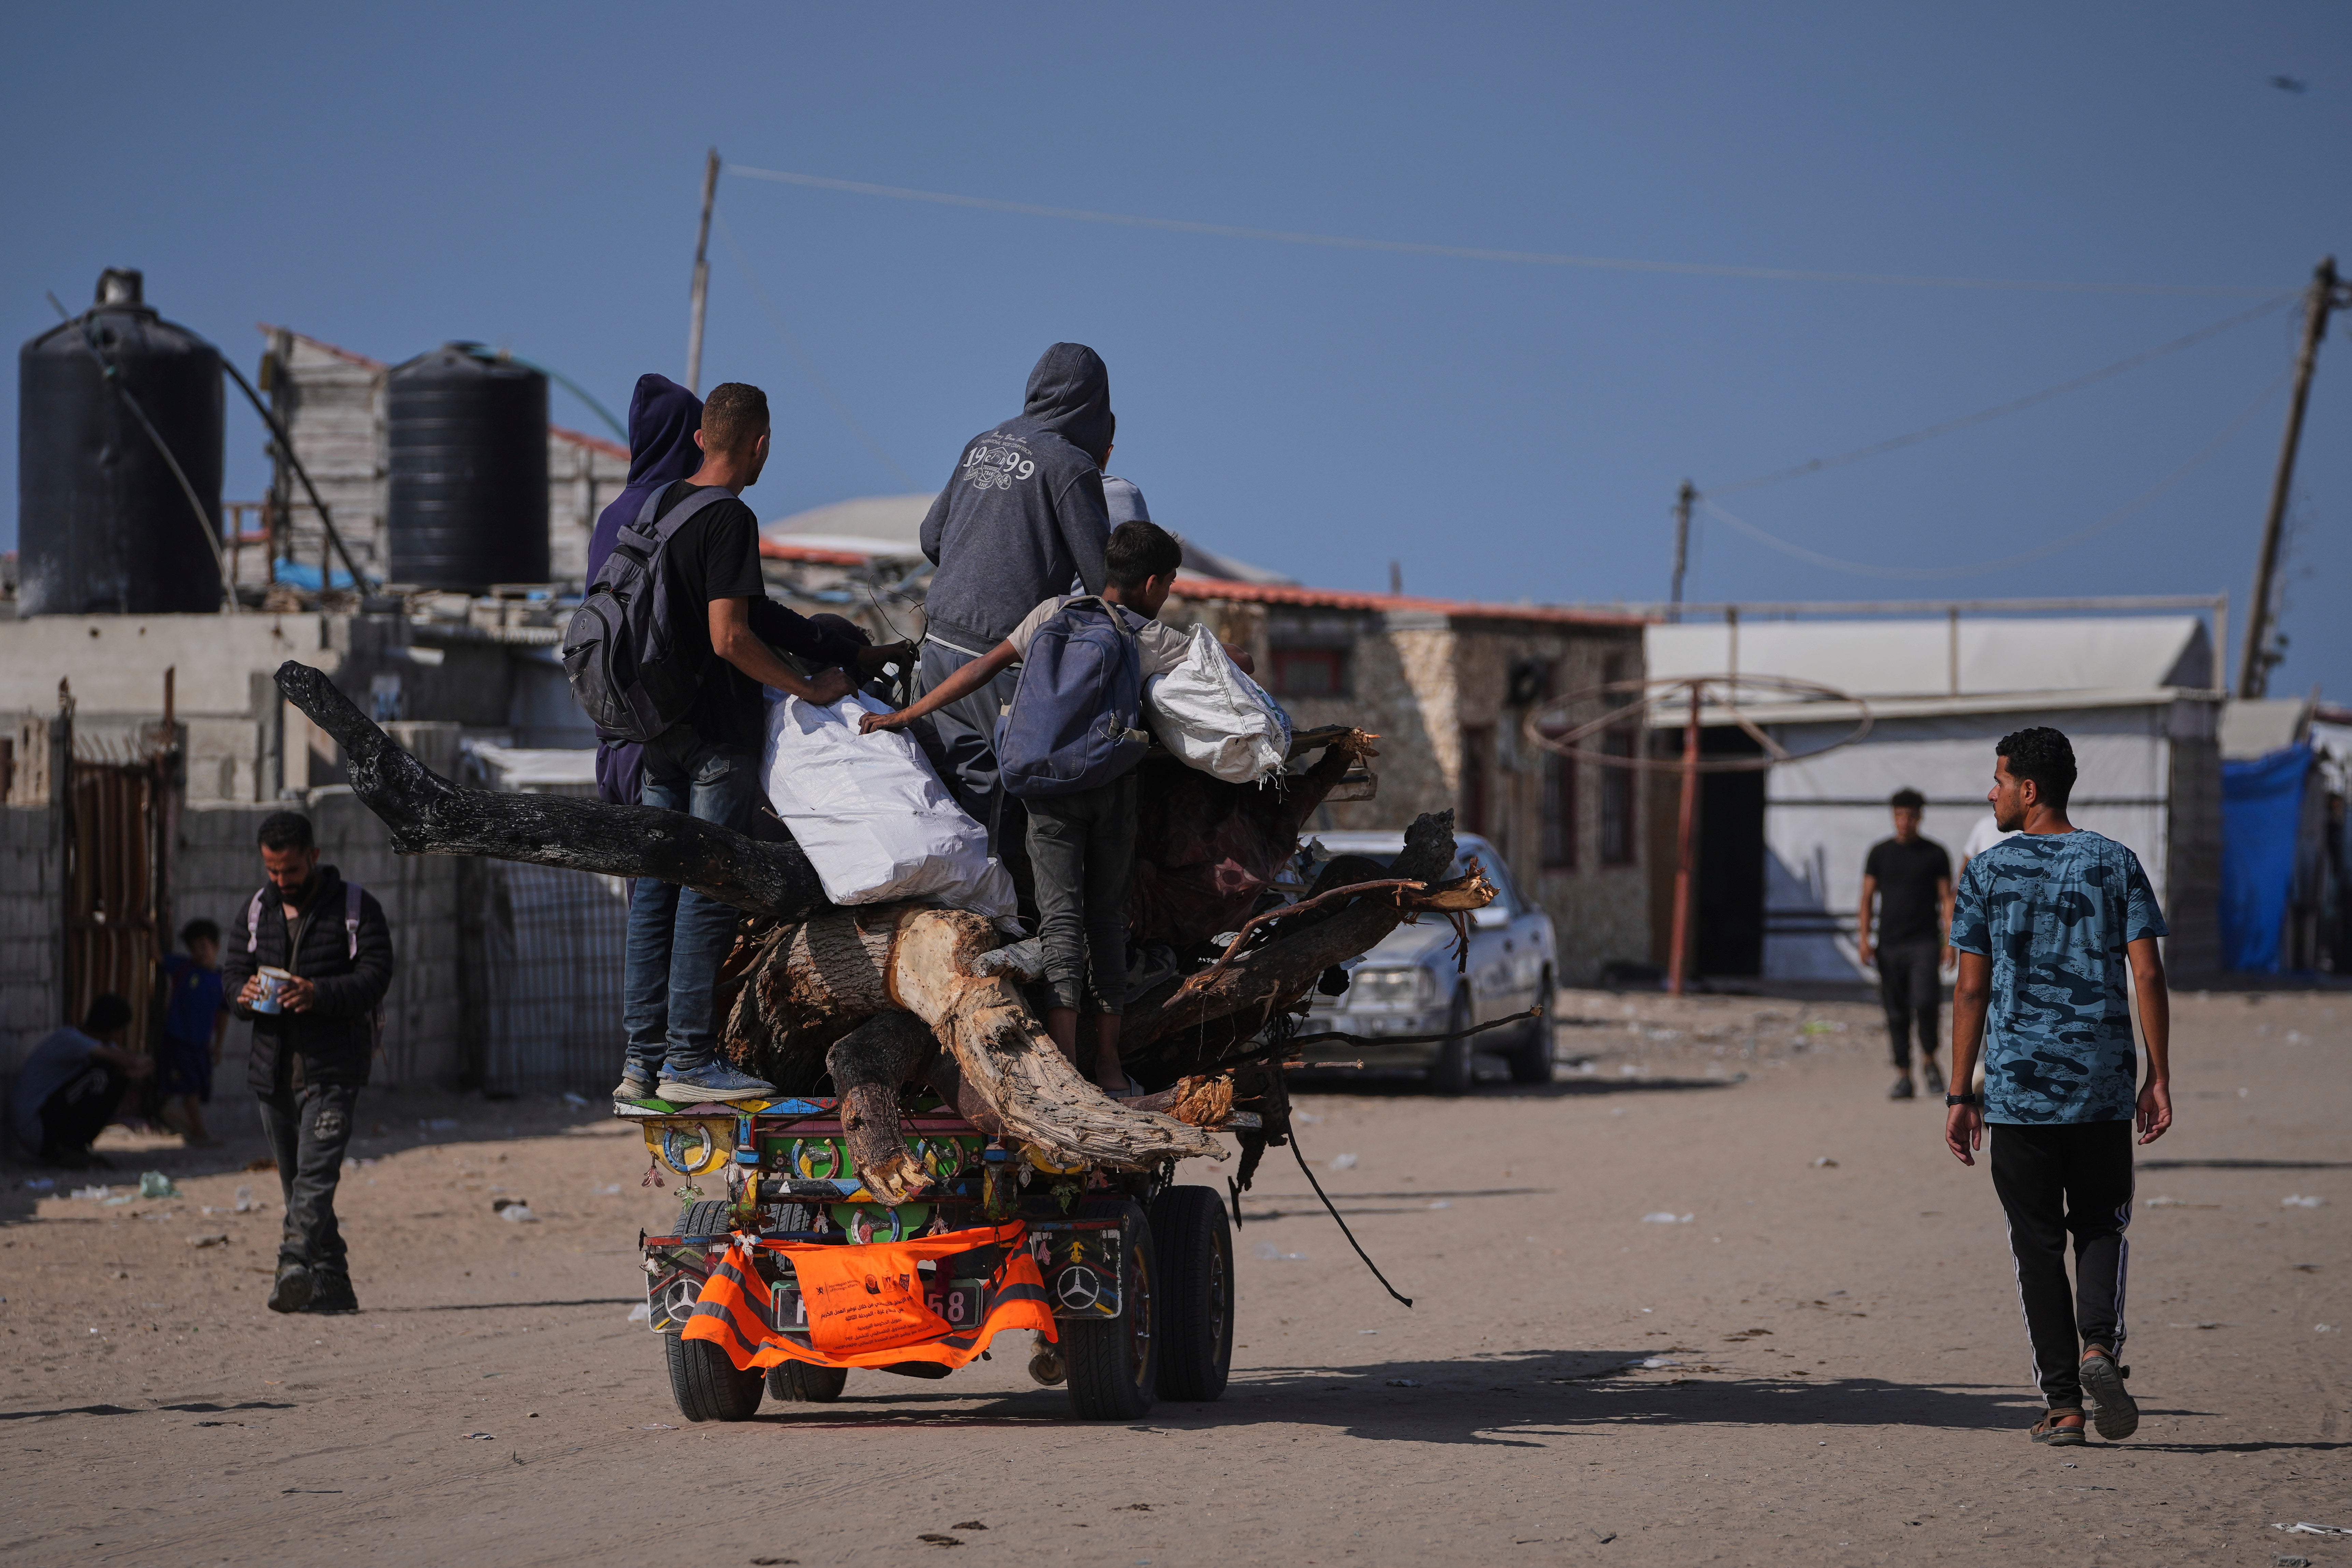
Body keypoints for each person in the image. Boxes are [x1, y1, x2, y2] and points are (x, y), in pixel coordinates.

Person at [615, 384, 904, 1108]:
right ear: (760, 443)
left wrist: (819, 637)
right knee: (710, 889)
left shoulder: (660, 506)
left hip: (657, 733)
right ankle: (689, 1060)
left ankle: (639, 1065)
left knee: (655, 894)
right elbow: (730, 635)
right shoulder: (729, 518)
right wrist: (810, 689)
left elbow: (748, 611)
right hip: (716, 737)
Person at [864, 521, 1192, 1093]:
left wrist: (906, 716)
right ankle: (1111, 1068)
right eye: (1167, 585)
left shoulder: (1052, 612)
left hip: (1043, 787)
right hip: (1110, 790)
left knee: (1060, 920)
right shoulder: (1147, 635)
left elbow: (979, 670)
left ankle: (1063, 1066)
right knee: (1107, 920)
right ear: (1151, 582)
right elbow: (1231, 663)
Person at [1946, 726, 2171, 1448]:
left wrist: (1959, 1093)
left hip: (2019, 1090)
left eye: (1999, 779)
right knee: (2101, 1223)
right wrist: (2158, 1074)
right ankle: (2100, 1345)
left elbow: (1971, 991)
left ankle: (2065, 1407)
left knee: (2036, 1245)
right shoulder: (2116, 863)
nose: (1992, 792)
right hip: (2103, 1084)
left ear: (2029, 789)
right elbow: (2147, 974)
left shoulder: (1984, 873)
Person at [586, 375, 902, 809]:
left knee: (651, 869)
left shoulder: (634, 513)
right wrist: (811, 685)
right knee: (711, 871)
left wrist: (848, 651)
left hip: (634, 727)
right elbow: (734, 632)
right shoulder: (719, 516)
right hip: (705, 733)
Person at [915, 343, 1117, 839]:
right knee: (997, 800)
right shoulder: (1070, 465)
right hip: (995, 659)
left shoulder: (981, 443)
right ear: (1094, 405)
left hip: (937, 645)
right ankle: (993, 912)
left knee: (945, 787)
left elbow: (930, 537)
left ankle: (947, 901)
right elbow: (1102, 583)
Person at [221, 811, 394, 1315]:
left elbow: (376, 976)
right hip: (272, 1073)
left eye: (290, 871)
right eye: (272, 872)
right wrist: (244, 993)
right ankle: (334, 1282)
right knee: (298, 1183)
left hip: (333, 1068)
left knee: (315, 1178)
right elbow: (232, 975)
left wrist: (317, 994)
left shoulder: (356, 908)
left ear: (314, 858)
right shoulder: (256, 910)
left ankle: (292, 1263)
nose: (281, 882)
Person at [1859, 787, 1953, 1100]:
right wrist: (1863, 938)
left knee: (1926, 1002)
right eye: (1900, 815)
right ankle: (1903, 1074)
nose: (1905, 821)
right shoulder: (1880, 853)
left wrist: (1949, 940)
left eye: (1910, 815)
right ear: (1893, 816)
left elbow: (1946, 899)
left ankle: (1929, 1059)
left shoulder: (1935, 854)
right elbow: (1867, 897)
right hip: (1889, 944)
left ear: (1919, 817)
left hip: (1924, 942)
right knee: (1895, 1009)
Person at [9, 994, 149, 1167]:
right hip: (34, 1128)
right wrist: (141, 1063)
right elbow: (130, 1062)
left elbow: (128, 1066)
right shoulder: (70, 1039)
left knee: (116, 1077)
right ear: (113, 1030)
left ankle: (75, 1146)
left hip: (47, 1123)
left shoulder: (102, 1045)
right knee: (101, 1075)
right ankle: (65, 1147)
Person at [157, 917, 229, 1146]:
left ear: (216, 946)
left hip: (202, 1044)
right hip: (178, 1040)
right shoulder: (184, 969)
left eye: (204, 946)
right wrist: (150, 931)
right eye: (194, 948)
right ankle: (199, 1132)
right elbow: (157, 957)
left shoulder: (222, 980)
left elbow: (224, 1015)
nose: (200, 952)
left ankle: (189, 1128)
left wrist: (218, 1045)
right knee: (190, 1090)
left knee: (198, 1088)